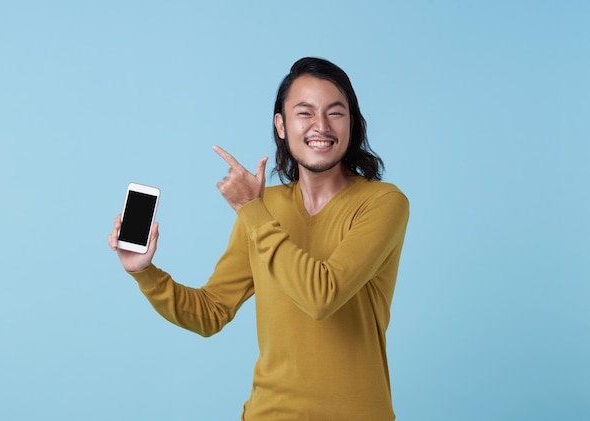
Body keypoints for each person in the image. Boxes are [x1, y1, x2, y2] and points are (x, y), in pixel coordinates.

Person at [108, 57, 409, 420]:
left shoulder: (383, 203)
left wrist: (252, 210)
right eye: (305, 113)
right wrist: (145, 273)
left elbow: (322, 296)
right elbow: (210, 312)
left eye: (335, 113)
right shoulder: (265, 207)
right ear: (281, 125)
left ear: (352, 124)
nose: (321, 126)